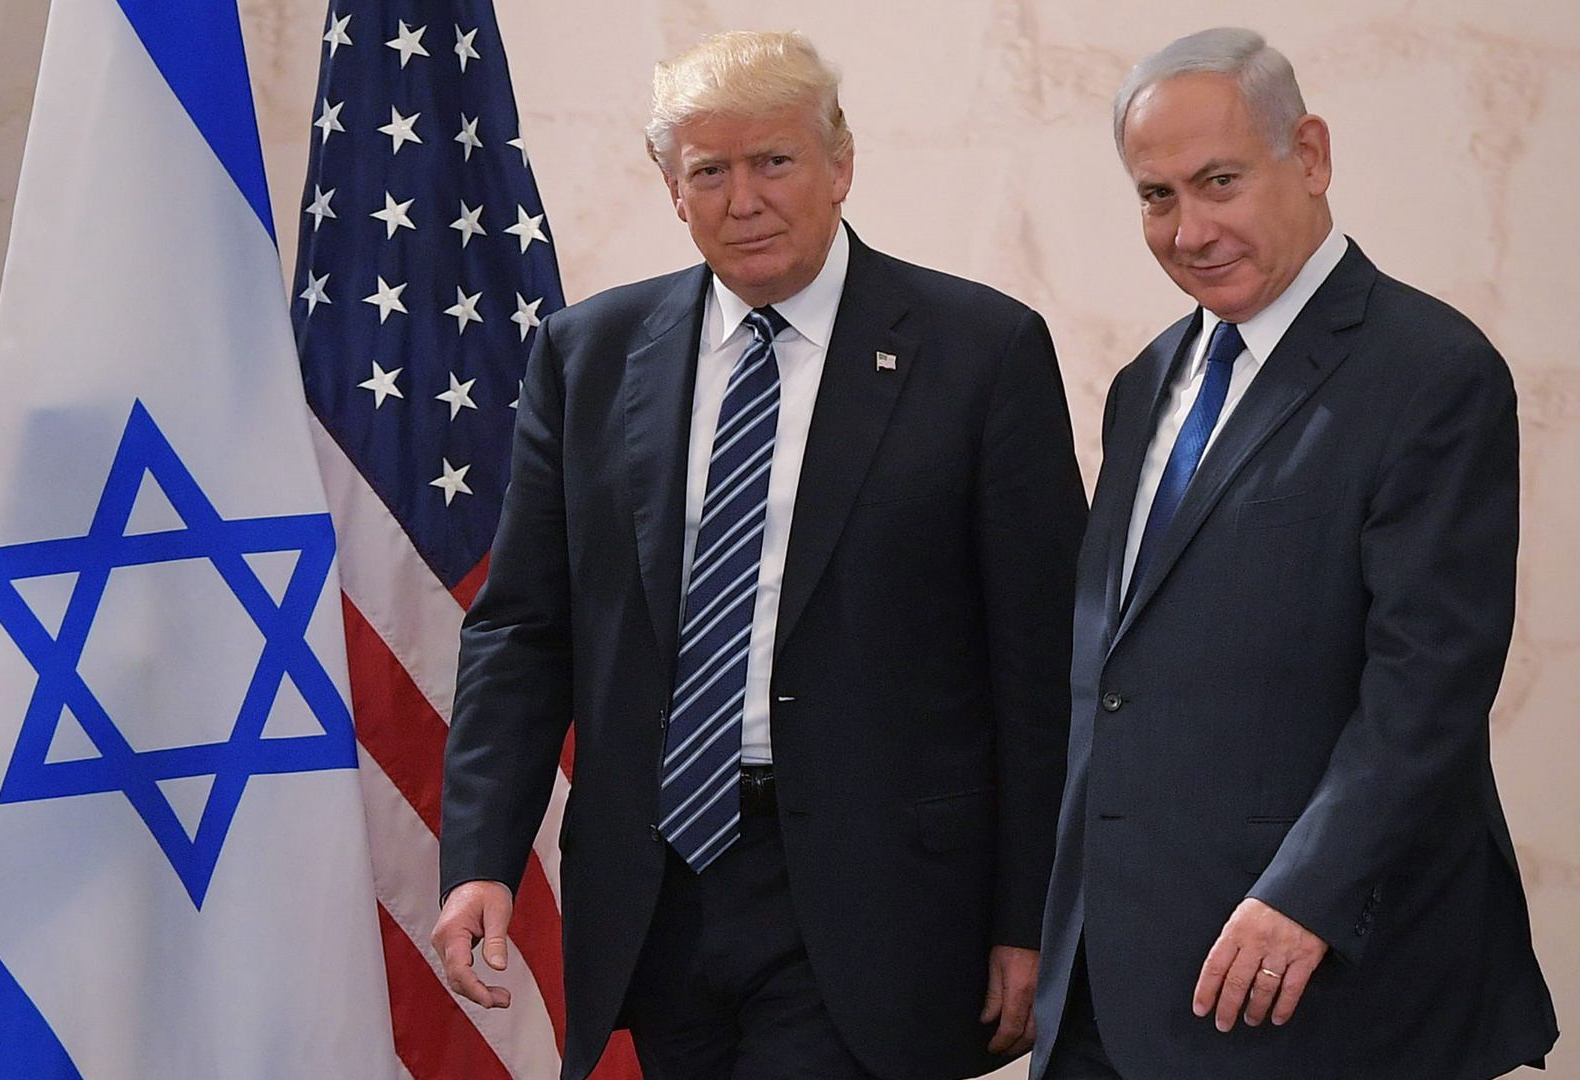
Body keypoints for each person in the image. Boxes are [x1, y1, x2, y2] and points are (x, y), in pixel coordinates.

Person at [431, 29, 1087, 1080]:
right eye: (710, 171)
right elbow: (523, 631)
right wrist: (480, 860)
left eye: (775, 161)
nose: (745, 198)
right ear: (671, 190)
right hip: (660, 892)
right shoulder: (586, 356)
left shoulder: (982, 352)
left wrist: (1031, 914)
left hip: (882, 898)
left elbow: (1042, 659)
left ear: (840, 165)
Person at [1029, 27, 1559, 1080]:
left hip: (1313, 981)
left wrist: (1306, 894)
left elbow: (1429, 686)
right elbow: (1120, 675)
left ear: (1309, 155)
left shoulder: (1430, 372)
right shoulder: (1146, 384)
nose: (1190, 228)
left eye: (1218, 181)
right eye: (1156, 196)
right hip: (1114, 982)